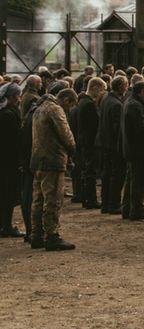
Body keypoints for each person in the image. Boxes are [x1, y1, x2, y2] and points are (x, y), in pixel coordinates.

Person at [29, 84, 77, 251]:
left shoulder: (39, 108)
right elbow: (66, 134)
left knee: (38, 198)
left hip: (38, 158)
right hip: (53, 159)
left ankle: (36, 234)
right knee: (53, 199)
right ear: (65, 99)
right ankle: (52, 235)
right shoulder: (55, 110)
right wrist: (72, 148)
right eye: (70, 104)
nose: (69, 109)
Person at [120, 81, 144, 222]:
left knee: (131, 179)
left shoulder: (130, 102)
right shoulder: (135, 106)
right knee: (139, 180)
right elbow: (141, 128)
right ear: (142, 91)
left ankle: (128, 208)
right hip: (137, 149)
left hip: (131, 148)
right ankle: (136, 210)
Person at [97, 75, 127, 215]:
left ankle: (106, 203)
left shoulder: (106, 99)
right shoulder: (117, 104)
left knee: (107, 174)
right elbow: (118, 129)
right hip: (114, 146)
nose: (127, 87)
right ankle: (114, 204)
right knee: (117, 175)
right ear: (120, 86)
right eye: (125, 85)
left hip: (104, 143)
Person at [73, 77, 103, 209]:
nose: (102, 92)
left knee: (86, 171)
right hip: (89, 142)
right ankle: (91, 200)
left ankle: (86, 198)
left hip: (83, 140)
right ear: (95, 88)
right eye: (102, 89)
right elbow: (94, 125)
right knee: (90, 172)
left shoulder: (82, 102)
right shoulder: (89, 104)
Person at [0, 83, 22, 237]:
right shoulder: (9, 115)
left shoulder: (4, 112)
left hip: (4, 160)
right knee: (7, 194)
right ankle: (6, 226)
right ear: (13, 97)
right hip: (8, 162)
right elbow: (14, 141)